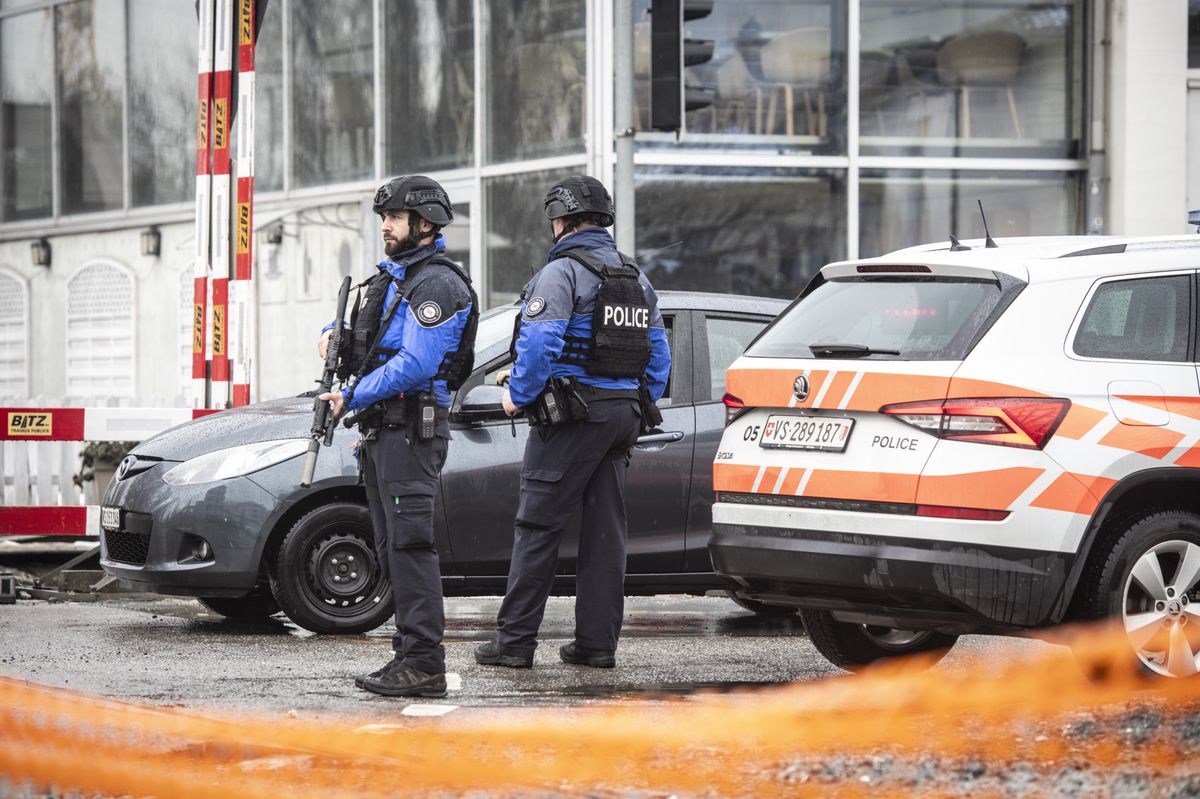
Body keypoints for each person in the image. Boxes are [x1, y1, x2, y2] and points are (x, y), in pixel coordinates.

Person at [474, 175, 671, 670]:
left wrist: (517, 396)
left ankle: (513, 644)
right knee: (605, 534)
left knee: (537, 527)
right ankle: (596, 645)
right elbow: (659, 358)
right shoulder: (635, 277)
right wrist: (633, 398)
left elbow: (541, 344)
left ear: (560, 220)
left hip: (574, 418)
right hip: (622, 416)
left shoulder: (562, 272)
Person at [318, 175, 474, 698]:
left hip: (411, 431)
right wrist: (329, 337)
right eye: (383, 217)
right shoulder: (393, 278)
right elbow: (369, 337)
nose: (385, 226)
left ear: (425, 223)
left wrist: (352, 395)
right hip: (385, 431)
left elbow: (416, 364)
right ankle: (408, 655)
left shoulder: (438, 286)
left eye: (394, 217)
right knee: (391, 549)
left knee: (410, 547)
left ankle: (425, 663)